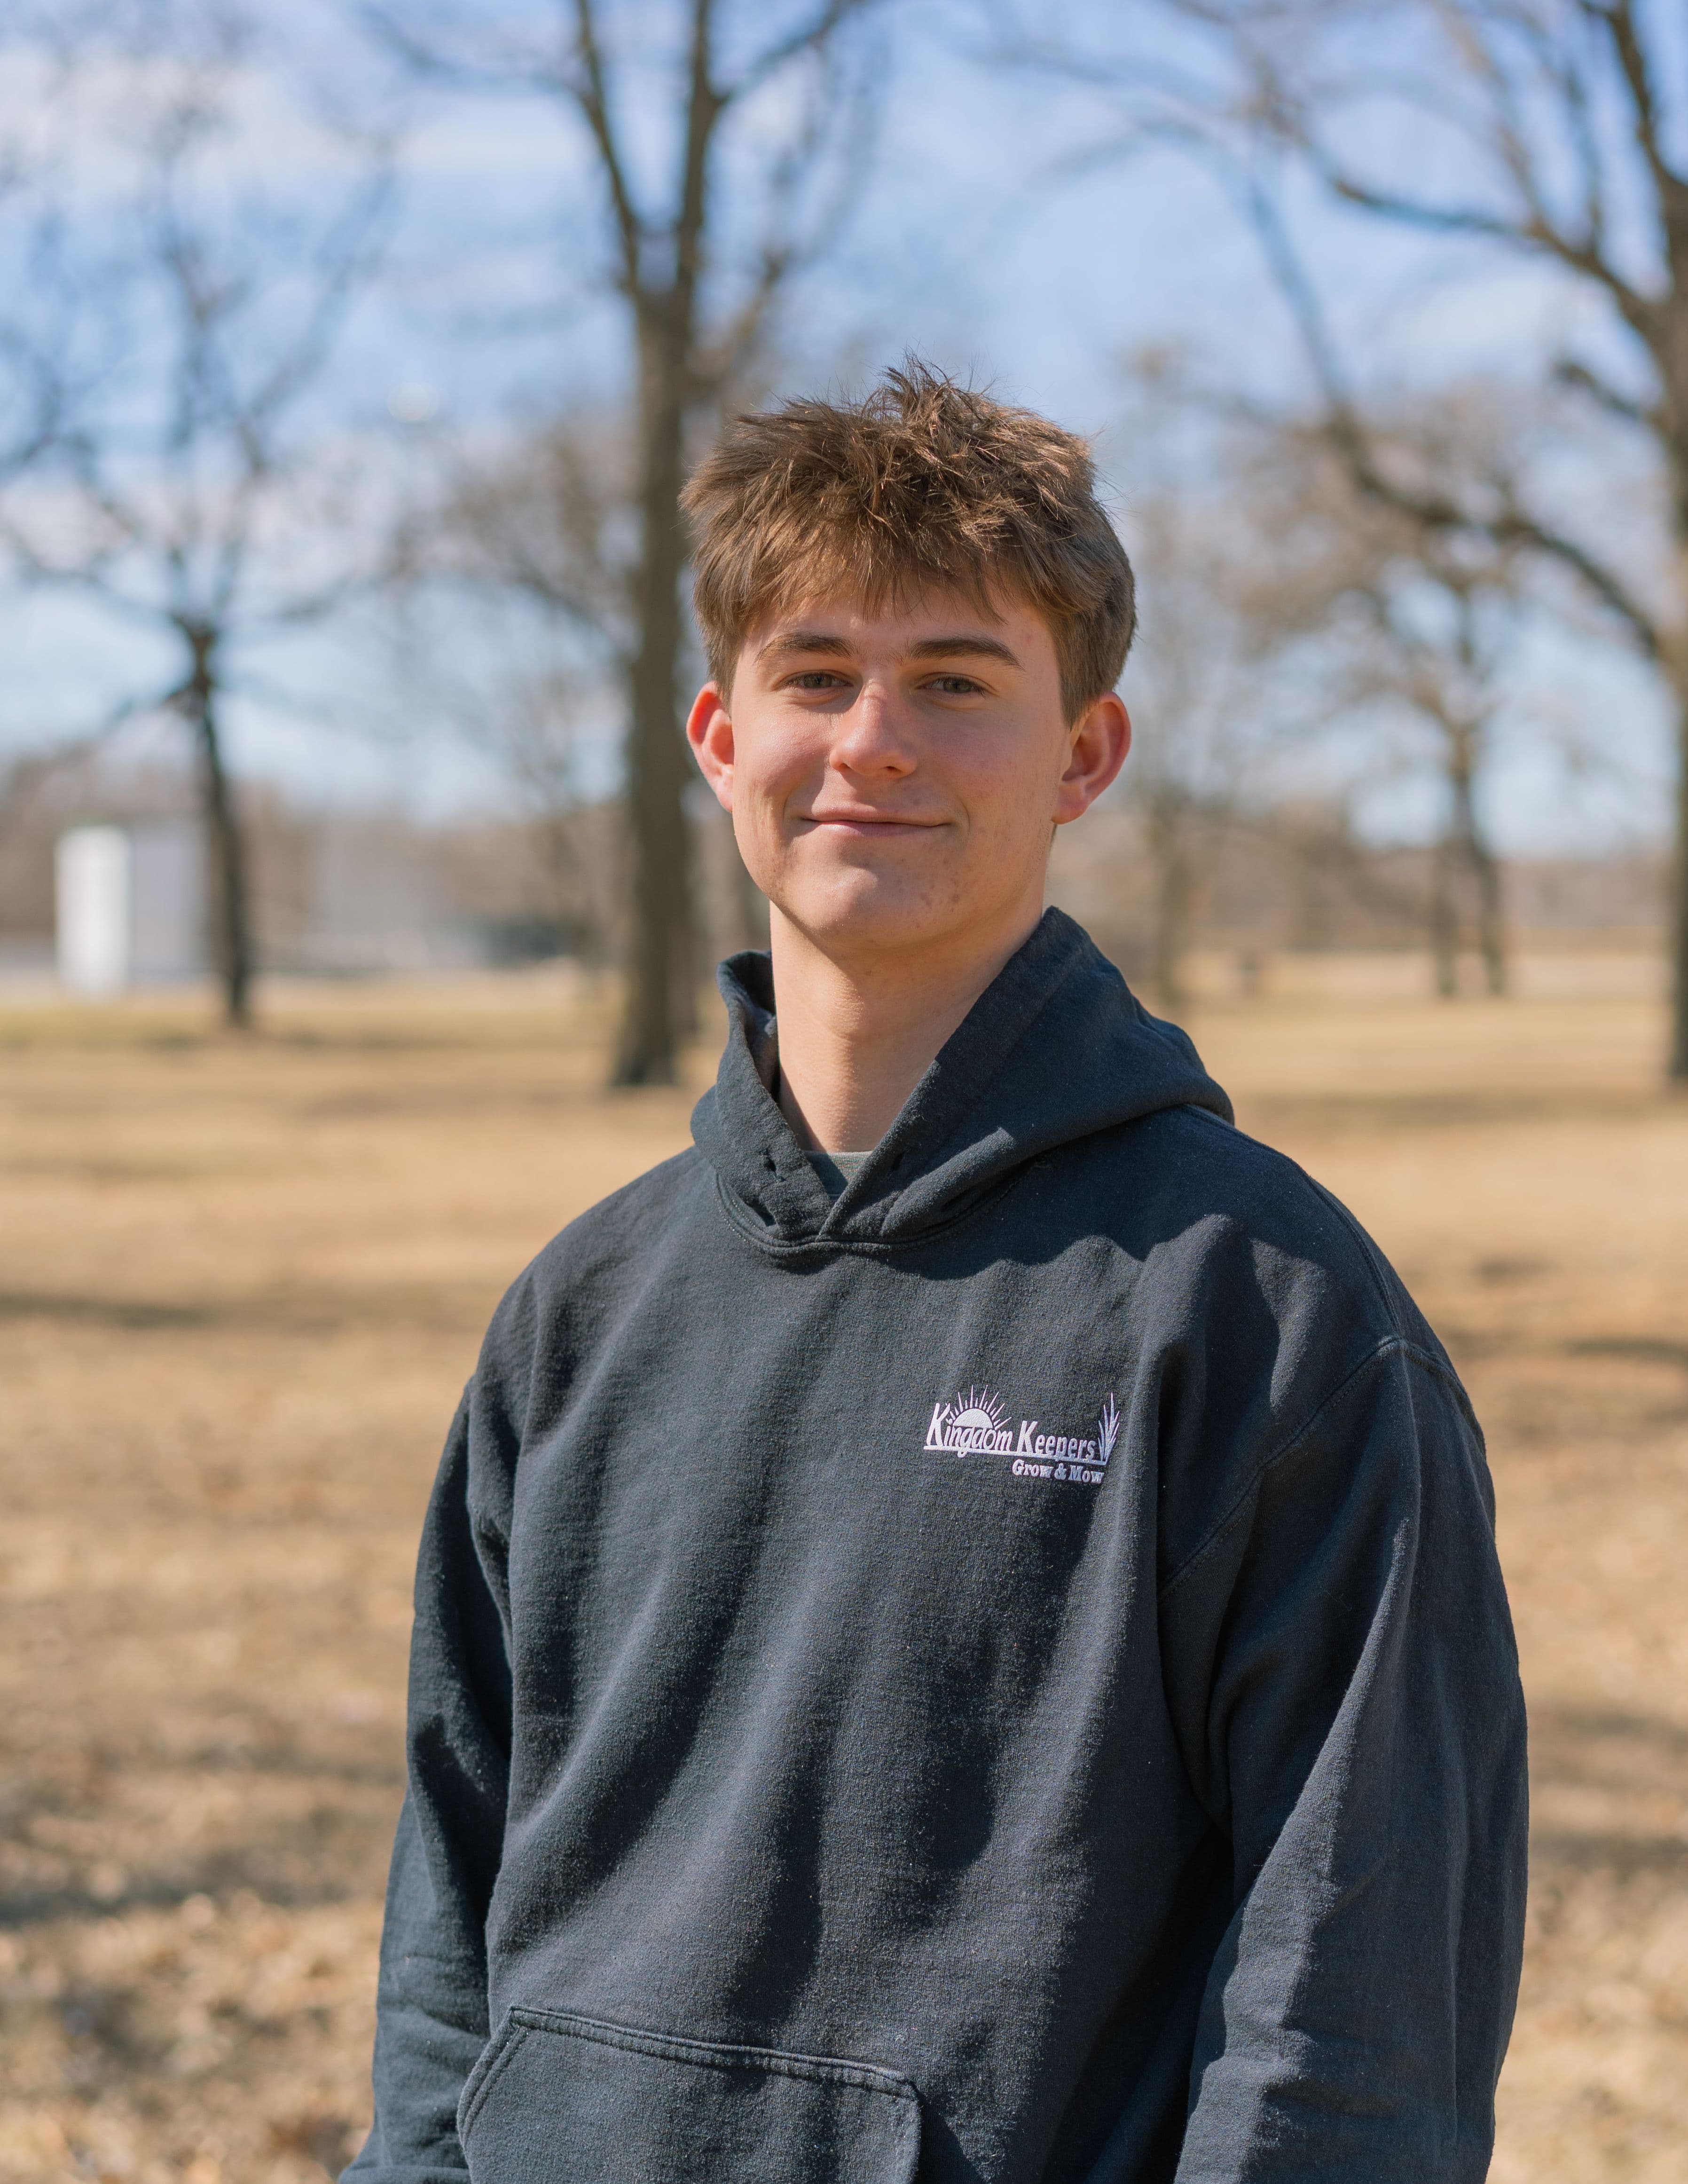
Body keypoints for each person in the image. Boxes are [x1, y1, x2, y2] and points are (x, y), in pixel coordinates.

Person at [344, 363, 1527, 2184]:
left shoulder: (1265, 1310)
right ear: (719, 737)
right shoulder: (574, 1316)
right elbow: (449, 1919)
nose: (872, 741)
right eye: (813, 675)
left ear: (1081, 755)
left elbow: (1353, 2023)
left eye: (954, 683)